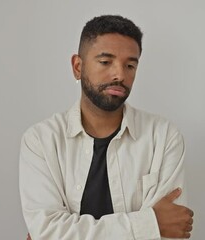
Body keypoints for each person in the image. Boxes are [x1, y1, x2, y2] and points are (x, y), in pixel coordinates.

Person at [19, 15, 194, 240]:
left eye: (130, 65)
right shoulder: (41, 141)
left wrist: (63, 231)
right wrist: (149, 223)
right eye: (105, 62)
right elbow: (47, 231)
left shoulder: (163, 137)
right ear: (77, 67)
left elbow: (171, 231)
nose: (120, 74)